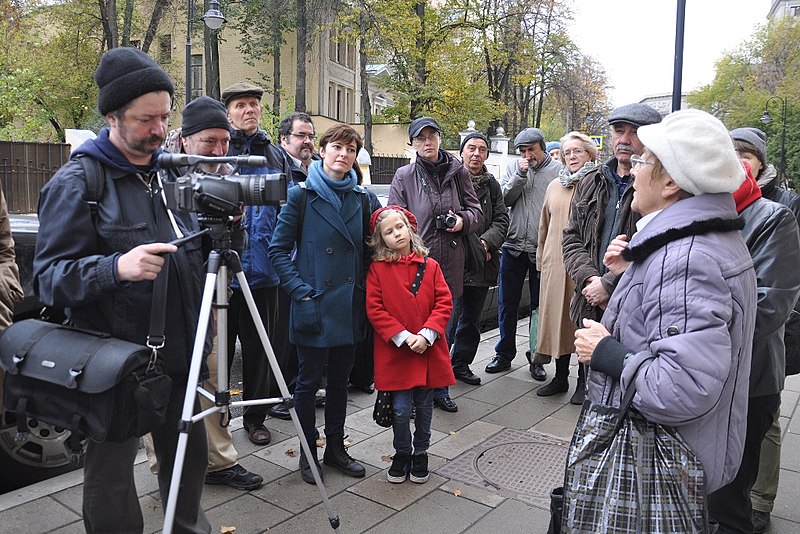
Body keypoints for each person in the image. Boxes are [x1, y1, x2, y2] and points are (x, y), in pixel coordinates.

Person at [33, 47, 211, 532]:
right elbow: (49, 278)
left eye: (165, 117)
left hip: (181, 356)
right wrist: (117, 267)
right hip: (113, 367)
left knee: (189, 464)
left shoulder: (170, 173)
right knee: (111, 481)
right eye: (145, 119)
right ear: (111, 116)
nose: (159, 129)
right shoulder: (78, 181)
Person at [573, 110, 757, 530]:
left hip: (661, 463)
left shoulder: (688, 257)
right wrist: (631, 275)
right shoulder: (699, 242)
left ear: (671, 183)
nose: (634, 171)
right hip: (675, 456)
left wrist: (607, 352)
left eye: (643, 162)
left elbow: (681, 387)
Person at [269, 124, 369, 485]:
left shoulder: (362, 198)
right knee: (308, 383)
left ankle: (336, 450)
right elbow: (278, 251)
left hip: (348, 305)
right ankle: (308, 450)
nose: (344, 154)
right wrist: (300, 291)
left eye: (351, 149)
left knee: (341, 381)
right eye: (337, 147)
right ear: (322, 150)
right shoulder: (301, 195)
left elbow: (370, 252)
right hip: (313, 303)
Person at [707, 150, 800, 533]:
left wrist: (696, 338)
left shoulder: (774, 217)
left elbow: (770, 304)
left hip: (750, 380)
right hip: (705, 378)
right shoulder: (700, 217)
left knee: (729, 500)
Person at [562, 103, 661, 399]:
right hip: (589, 297)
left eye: (635, 133)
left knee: (624, 385)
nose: (625, 139)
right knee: (592, 380)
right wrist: (591, 281)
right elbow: (571, 238)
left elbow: (660, 246)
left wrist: (609, 284)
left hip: (632, 303)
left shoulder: (658, 185)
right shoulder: (592, 181)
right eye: (619, 131)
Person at [388, 117, 483, 413]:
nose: (427, 142)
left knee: (443, 330)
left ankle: (440, 388)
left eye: (432, 136)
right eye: (420, 138)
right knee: (416, 330)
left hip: (451, 264)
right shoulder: (404, 176)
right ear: (413, 144)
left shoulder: (458, 173)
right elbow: (393, 219)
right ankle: (416, 390)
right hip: (416, 265)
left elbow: (476, 212)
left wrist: (461, 221)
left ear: (441, 138)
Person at [221, 82, 292, 439]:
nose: (249, 110)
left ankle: (255, 419)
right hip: (221, 273)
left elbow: (291, 209)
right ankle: (218, 421)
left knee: (260, 350)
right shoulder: (217, 149)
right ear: (229, 112)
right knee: (216, 354)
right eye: (241, 105)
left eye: (254, 104)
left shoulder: (276, 155)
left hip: (265, 271)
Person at [366, 205, 455, 484]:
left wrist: (427, 334)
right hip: (397, 353)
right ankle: (401, 452)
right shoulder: (378, 269)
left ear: (410, 228)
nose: (396, 234)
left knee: (425, 407)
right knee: (402, 409)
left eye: (399, 227)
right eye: (389, 232)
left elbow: (444, 302)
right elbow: (375, 308)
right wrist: (403, 337)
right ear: (382, 239)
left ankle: (421, 452)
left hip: (427, 350)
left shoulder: (431, 266)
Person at [485, 128, 561, 379]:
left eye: (532, 150)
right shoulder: (513, 168)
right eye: (523, 151)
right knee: (507, 303)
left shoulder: (557, 172)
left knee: (538, 307)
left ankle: (536, 359)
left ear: (542, 148)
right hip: (513, 246)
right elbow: (504, 199)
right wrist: (519, 175)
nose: (527, 156)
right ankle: (504, 354)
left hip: (542, 250)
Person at [535, 132, 597, 404]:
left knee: (581, 320)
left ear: (590, 155)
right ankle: (560, 377)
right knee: (557, 321)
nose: (572, 157)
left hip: (583, 265)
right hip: (554, 263)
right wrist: (541, 258)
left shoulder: (597, 184)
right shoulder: (554, 186)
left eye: (578, 152)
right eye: (567, 152)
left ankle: (583, 382)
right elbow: (544, 226)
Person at [448, 132, 508, 385]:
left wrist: (485, 242)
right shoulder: (449, 180)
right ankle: (437, 370)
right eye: (471, 148)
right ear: (461, 152)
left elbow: (502, 219)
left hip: (482, 262)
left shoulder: (491, 185)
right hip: (453, 260)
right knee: (447, 319)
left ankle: (461, 364)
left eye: (482, 149)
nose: (476, 154)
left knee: (471, 320)